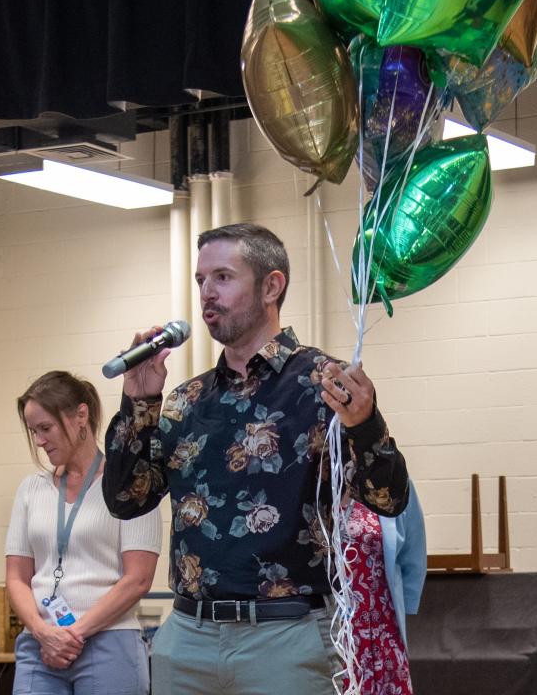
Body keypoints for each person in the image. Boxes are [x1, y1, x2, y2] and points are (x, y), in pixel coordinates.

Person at [102, 223, 411, 695]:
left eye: (223, 277)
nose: (207, 292)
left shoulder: (324, 383)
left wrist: (365, 424)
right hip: (188, 638)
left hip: (285, 637)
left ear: (271, 286)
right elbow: (126, 499)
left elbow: (389, 499)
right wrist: (140, 402)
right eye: (201, 280)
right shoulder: (188, 399)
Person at [6, 371, 162, 695]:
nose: (38, 441)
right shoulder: (30, 489)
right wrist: (42, 632)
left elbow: (138, 580)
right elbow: (17, 578)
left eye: (45, 428)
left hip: (109, 639)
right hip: (41, 644)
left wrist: (73, 633)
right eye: (33, 431)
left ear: (81, 415)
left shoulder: (130, 485)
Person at [342, 483, 426, 694]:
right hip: (330, 627)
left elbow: (413, 550)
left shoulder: (392, 476)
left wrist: (407, 605)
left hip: (381, 626)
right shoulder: (307, 476)